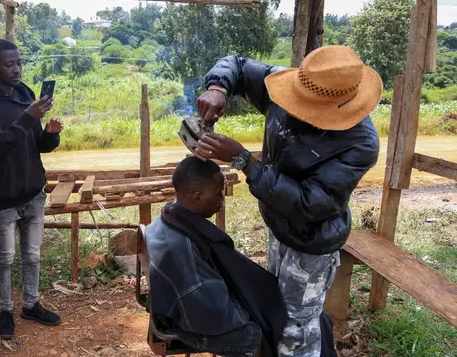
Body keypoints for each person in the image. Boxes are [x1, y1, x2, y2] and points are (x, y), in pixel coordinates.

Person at [194, 45, 381, 356]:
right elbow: (238, 65)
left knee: (297, 326)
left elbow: (310, 204)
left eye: (307, 110)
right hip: (279, 224)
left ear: (336, 109)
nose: (293, 110)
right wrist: (218, 88)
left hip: (310, 242)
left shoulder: (359, 143)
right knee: (279, 307)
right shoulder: (292, 84)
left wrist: (243, 161)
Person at [145, 157, 290, 357]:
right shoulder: (182, 249)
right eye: (218, 193)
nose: (222, 200)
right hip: (187, 323)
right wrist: (249, 312)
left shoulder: (170, 215)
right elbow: (213, 316)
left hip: (178, 306)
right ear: (197, 197)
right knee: (262, 332)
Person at [0, 39, 63, 340]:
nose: (16, 69)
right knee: (5, 257)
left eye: (18, 62)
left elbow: (35, 144)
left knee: (33, 256)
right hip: (2, 198)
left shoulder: (25, 95)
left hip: (33, 191)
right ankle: (5, 310)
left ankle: (31, 304)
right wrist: (28, 117)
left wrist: (49, 135)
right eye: (9, 64)